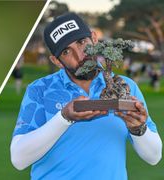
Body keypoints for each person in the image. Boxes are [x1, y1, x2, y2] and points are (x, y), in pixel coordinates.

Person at [10, 12, 162, 180]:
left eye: (82, 42)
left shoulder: (125, 87)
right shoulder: (39, 90)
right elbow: (19, 159)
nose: (80, 55)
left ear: (94, 38)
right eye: (67, 51)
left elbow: (154, 157)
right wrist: (64, 118)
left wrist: (138, 128)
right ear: (56, 61)